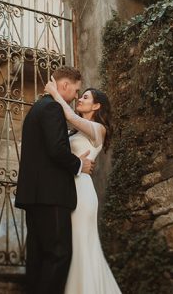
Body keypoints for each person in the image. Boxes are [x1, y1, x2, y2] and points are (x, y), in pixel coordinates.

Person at [16, 66, 95, 294]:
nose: (76, 96)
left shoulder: (37, 108)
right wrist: (80, 164)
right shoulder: (52, 108)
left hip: (35, 196)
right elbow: (57, 150)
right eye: (76, 90)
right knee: (59, 255)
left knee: (38, 259)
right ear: (64, 86)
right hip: (50, 195)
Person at [43, 75, 122, 294]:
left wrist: (54, 92)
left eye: (85, 97)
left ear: (96, 105)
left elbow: (68, 115)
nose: (79, 99)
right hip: (68, 187)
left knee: (81, 245)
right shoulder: (76, 132)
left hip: (82, 192)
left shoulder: (99, 129)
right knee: (70, 245)